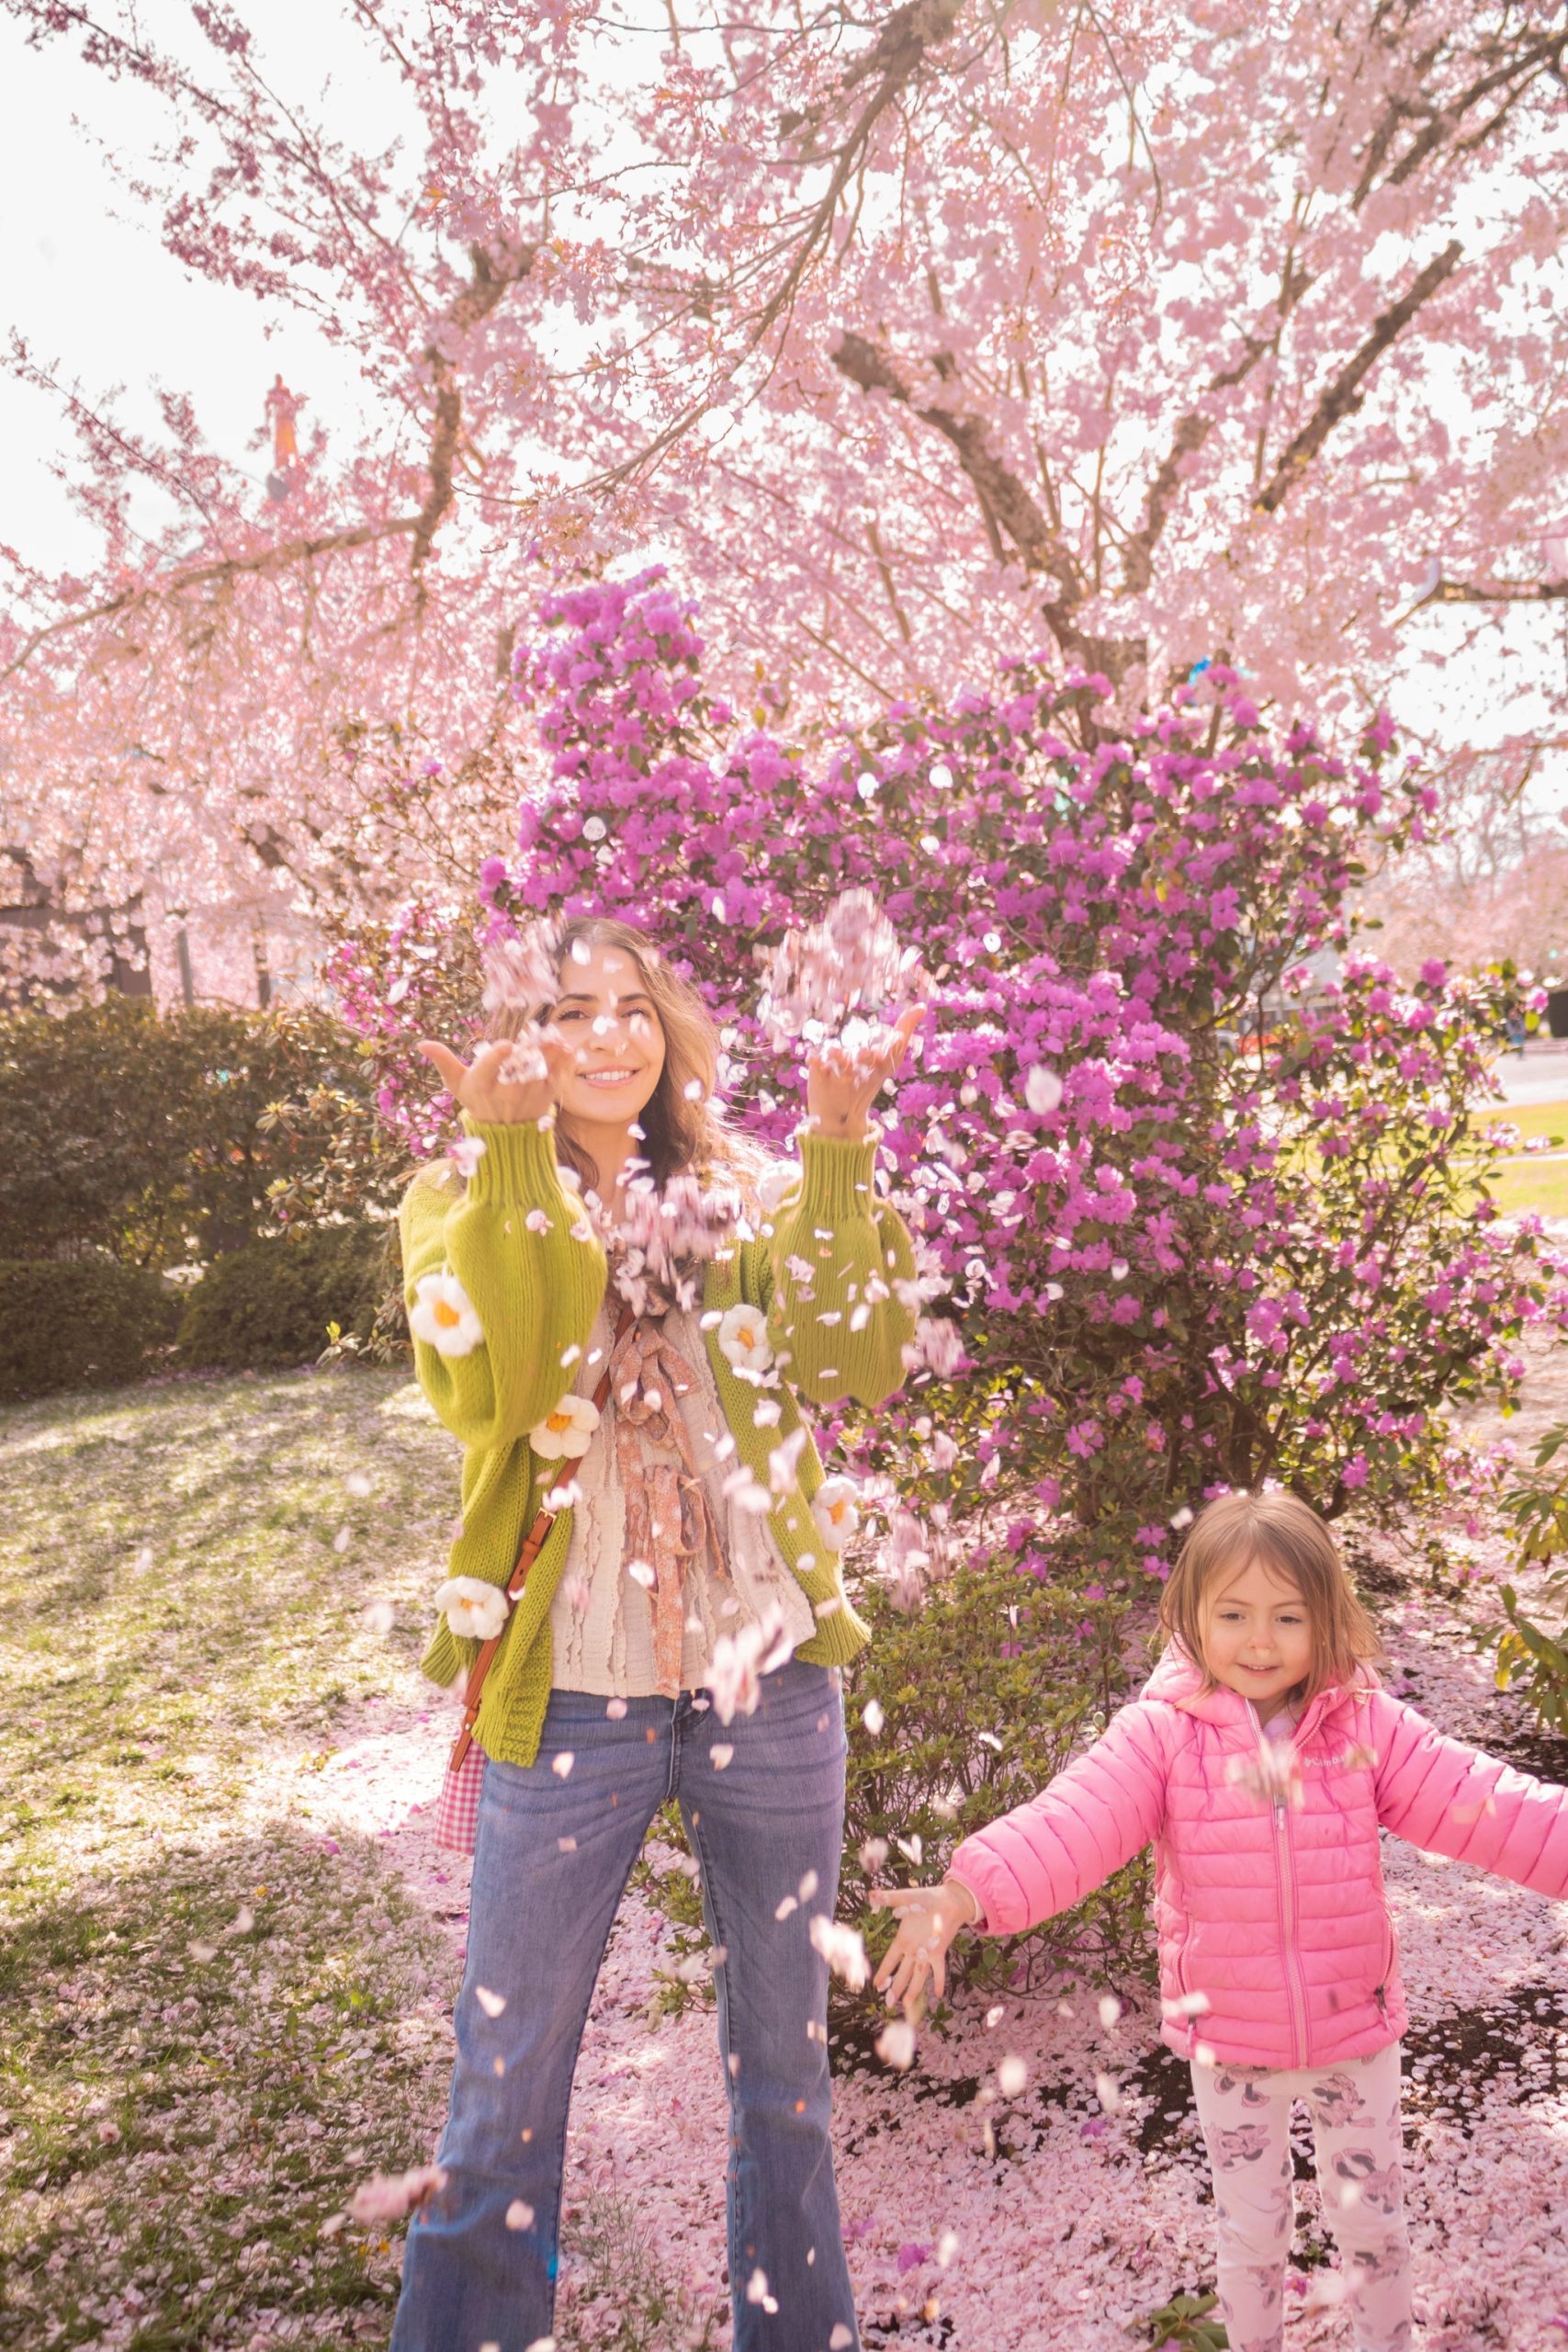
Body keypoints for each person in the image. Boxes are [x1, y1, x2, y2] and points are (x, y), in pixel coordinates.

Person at [389, 914, 923, 2352]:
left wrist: (834, 1150)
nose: (609, 1033)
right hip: (574, 1696)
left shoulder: (738, 1191)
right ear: (521, 1036)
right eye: (570, 1009)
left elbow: (850, 1359)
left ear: (670, 1029)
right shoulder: (453, 1194)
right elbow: (507, 1383)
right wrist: (508, 1160)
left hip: (769, 1685)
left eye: (634, 1006)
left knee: (785, 2081)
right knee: (505, 2086)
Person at [873, 1487, 1568, 2352]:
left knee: (1374, 2237)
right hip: (1231, 2045)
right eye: (1232, 1614)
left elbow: (1483, 1802)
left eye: (1286, 1616)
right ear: (1191, 1618)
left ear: (1326, 1620)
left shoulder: (1363, 1726)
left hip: (1353, 2035)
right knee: (1250, 2240)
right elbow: (1070, 1823)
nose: (1259, 1641)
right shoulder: (1161, 1737)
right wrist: (963, 1894)